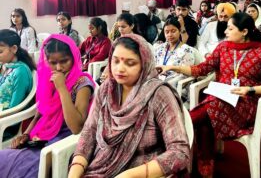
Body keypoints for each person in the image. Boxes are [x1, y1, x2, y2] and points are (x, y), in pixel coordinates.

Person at [157, 13, 261, 178]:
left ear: (244, 31)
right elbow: (200, 69)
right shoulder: (223, 47)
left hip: (246, 103)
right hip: (220, 98)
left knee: (207, 112)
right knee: (206, 120)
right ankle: (205, 169)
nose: (225, 31)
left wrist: (251, 90)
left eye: (230, 28)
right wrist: (172, 68)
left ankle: (175, 136)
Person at [68, 34, 190, 178]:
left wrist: (129, 176)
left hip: (143, 171)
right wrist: (76, 169)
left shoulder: (159, 94)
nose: (120, 69)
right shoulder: (107, 90)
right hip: (101, 167)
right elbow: (89, 133)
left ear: (144, 64)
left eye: (130, 63)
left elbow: (179, 152)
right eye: (116, 61)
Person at [0, 34, 95, 178]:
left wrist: (62, 89)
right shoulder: (48, 79)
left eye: (64, 61)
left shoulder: (82, 83)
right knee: (4, 158)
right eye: (52, 62)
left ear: (74, 57)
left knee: (26, 169)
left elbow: (76, 127)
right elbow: (40, 113)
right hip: (40, 137)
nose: (59, 67)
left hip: (63, 140)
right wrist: (26, 134)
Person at [154, 18, 195, 87]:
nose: (170, 35)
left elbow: (185, 75)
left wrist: (165, 84)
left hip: (175, 85)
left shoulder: (186, 50)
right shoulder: (160, 48)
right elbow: (154, 66)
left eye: (173, 31)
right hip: (158, 81)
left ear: (179, 31)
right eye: (167, 32)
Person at [0, 29, 35, 111]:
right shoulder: (5, 65)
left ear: (14, 49)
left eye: (0, 52)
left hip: (7, 119)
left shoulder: (20, 72)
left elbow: (14, 107)